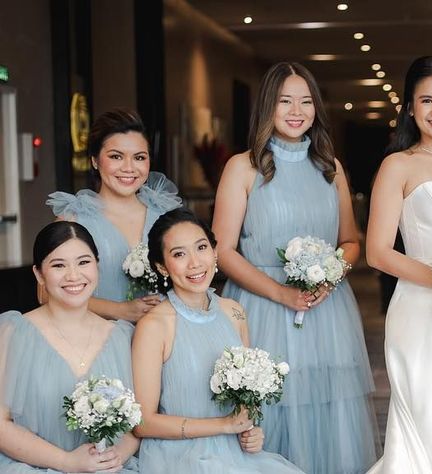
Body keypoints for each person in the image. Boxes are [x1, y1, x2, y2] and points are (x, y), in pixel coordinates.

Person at [212, 62, 378, 474]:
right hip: (262, 307)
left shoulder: (331, 168)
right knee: (268, 407)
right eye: (285, 100)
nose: (296, 110)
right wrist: (282, 292)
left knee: (324, 411)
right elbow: (223, 250)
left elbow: (351, 242)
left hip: (325, 311)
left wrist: (331, 274)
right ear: (267, 106)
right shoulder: (242, 167)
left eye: (306, 101)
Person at [132, 208, 304, 473]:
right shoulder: (154, 326)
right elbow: (143, 423)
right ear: (162, 266)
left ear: (214, 252)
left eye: (201, 248)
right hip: (179, 457)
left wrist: (251, 430)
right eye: (179, 254)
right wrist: (223, 425)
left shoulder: (234, 312)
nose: (195, 263)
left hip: (235, 453)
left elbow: (247, 396)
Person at [366, 56, 432, 472]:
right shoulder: (399, 166)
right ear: (410, 108)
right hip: (422, 313)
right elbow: (378, 252)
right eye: (425, 100)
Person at [0, 221, 139, 473]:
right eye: (58, 265)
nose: (73, 275)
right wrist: (66, 462)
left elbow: (137, 424)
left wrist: (115, 456)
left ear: (97, 265)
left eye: (84, 262)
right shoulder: (13, 332)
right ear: (39, 274)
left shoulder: (122, 337)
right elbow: (1, 424)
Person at [47, 108, 181, 322]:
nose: (129, 168)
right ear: (94, 161)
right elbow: (45, 293)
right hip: (99, 340)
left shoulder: (167, 216)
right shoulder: (74, 220)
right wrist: (118, 310)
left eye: (139, 157)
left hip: (163, 339)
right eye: (116, 156)